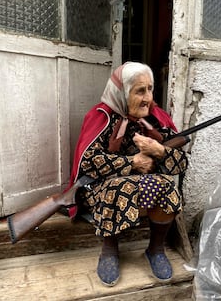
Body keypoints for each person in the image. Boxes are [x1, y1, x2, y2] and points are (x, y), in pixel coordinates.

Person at [67, 62, 188, 287]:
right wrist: (131, 162)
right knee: (120, 186)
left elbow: (181, 164)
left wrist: (160, 151)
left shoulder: (155, 119)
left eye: (150, 89)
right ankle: (110, 250)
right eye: (140, 91)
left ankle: (155, 250)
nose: (147, 98)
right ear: (122, 92)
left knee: (168, 186)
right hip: (102, 190)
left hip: (145, 188)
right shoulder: (101, 116)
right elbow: (88, 162)